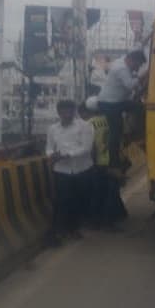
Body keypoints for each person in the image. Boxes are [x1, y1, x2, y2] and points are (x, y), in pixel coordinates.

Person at [45, 100, 95, 244]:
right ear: (59, 112)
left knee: (78, 200)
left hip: (82, 169)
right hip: (61, 169)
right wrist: (51, 155)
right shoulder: (53, 129)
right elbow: (48, 147)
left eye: (69, 111)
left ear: (74, 111)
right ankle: (62, 230)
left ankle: (74, 228)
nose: (66, 114)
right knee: (62, 200)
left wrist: (68, 154)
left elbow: (86, 148)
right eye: (63, 111)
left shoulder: (85, 126)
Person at [97, 49, 146, 171]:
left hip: (118, 101)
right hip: (110, 104)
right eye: (138, 64)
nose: (138, 68)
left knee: (139, 107)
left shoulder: (123, 62)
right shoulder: (121, 68)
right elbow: (130, 85)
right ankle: (114, 163)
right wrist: (142, 76)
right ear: (132, 60)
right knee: (116, 133)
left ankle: (137, 134)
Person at [82, 97, 127, 229]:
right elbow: (122, 139)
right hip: (114, 162)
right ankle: (108, 222)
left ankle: (95, 221)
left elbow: (90, 147)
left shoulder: (88, 123)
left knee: (97, 193)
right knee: (111, 193)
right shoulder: (116, 120)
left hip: (97, 163)